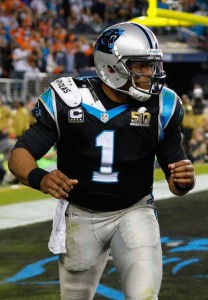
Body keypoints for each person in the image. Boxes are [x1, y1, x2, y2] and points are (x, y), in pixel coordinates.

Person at [8, 22, 195, 300]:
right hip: (80, 216)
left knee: (144, 296)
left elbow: (174, 180)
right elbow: (20, 155)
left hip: (134, 211)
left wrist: (183, 181)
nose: (149, 74)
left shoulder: (163, 105)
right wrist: (41, 177)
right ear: (111, 66)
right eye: (140, 66)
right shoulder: (68, 99)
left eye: (151, 65)